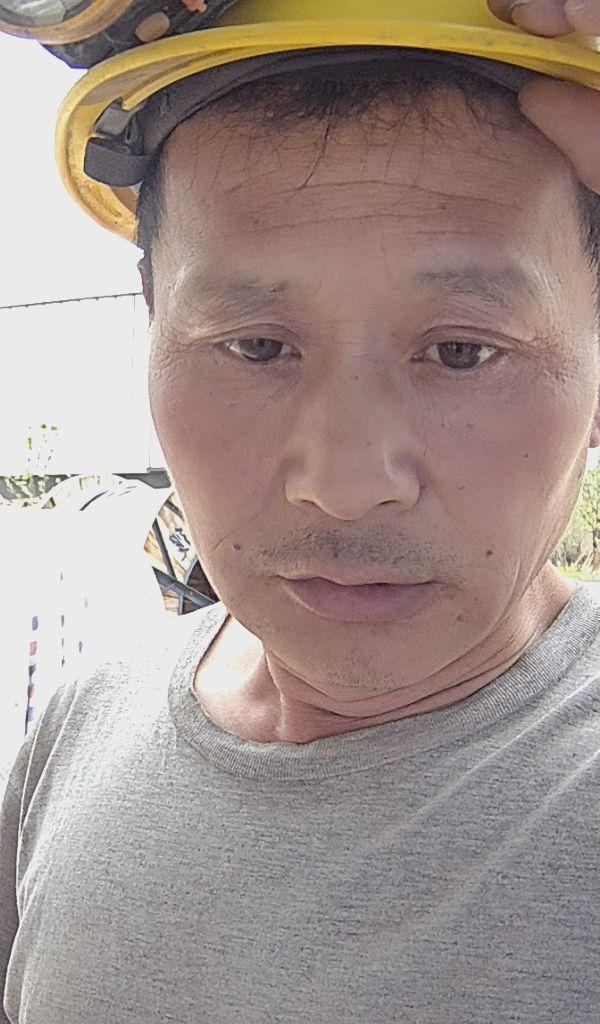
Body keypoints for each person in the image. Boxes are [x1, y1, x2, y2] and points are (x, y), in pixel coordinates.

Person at [1, 2, 600, 1021]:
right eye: (255, 347)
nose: (346, 481)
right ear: (152, 319)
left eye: (461, 350)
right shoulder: (78, 728)